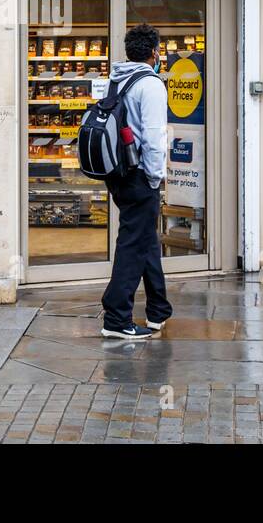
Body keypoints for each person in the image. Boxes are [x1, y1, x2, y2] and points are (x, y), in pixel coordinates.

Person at [100, 22, 173, 339]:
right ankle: (116, 318)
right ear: (154, 52)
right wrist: (156, 178)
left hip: (117, 173)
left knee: (145, 237)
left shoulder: (115, 81)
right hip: (141, 174)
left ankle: (158, 310)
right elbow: (155, 139)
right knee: (133, 243)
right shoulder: (151, 85)